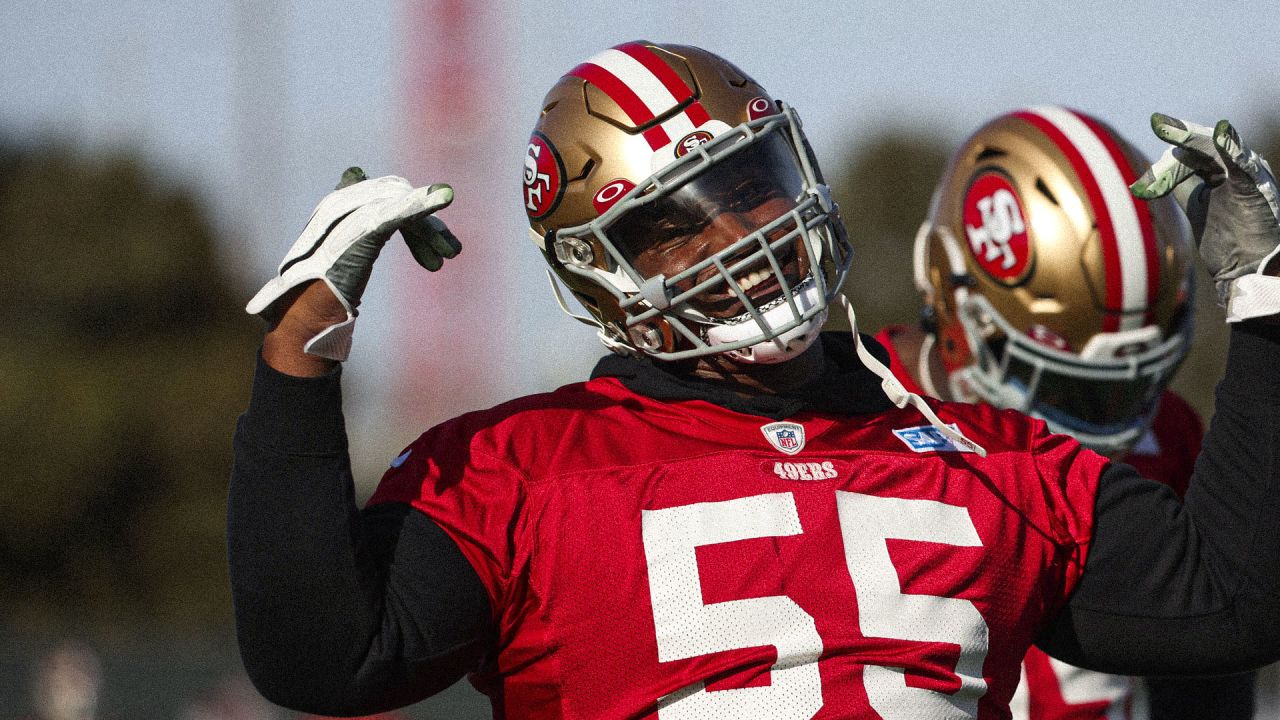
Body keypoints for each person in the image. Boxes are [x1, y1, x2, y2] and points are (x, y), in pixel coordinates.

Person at [228, 41, 1280, 718]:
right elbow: (322, 658)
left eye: (747, 183)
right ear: (597, 273)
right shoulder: (517, 469)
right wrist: (299, 360)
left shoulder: (986, 455)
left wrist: (1264, 308)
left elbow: (1232, 606)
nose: (739, 234)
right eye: (670, 226)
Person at [874, 106, 1256, 719]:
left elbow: (1211, 666)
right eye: (1061, 387)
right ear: (952, 297)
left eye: (1128, 388)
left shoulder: (1168, 434)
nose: (1107, 427)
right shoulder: (855, 423)